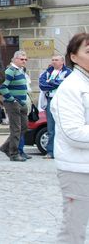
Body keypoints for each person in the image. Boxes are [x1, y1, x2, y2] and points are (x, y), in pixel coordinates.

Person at [50, 32, 89, 243]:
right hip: (77, 172)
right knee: (73, 232)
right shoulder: (71, 88)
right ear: (73, 57)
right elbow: (73, 133)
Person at [0, 50, 30, 162]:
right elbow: (2, 87)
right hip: (13, 104)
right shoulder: (10, 71)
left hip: (21, 103)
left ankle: (5, 147)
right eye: (22, 59)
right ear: (15, 59)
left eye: (26, 59)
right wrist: (12, 99)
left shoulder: (19, 71)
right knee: (16, 129)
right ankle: (14, 153)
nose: (24, 61)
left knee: (24, 127)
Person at [39, 55, 72, 159]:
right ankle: (50, 151)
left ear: (62, 62)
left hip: (62, 101)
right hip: (50, 100)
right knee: (51, 128)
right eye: (52, 60)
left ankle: (64, 152)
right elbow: (42, 85)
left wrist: (51, 82)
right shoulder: (48, 72)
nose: (54, 62)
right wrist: (56, 83)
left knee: (63, 127)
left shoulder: (68, 72)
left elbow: (66, 84)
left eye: (56, 60)